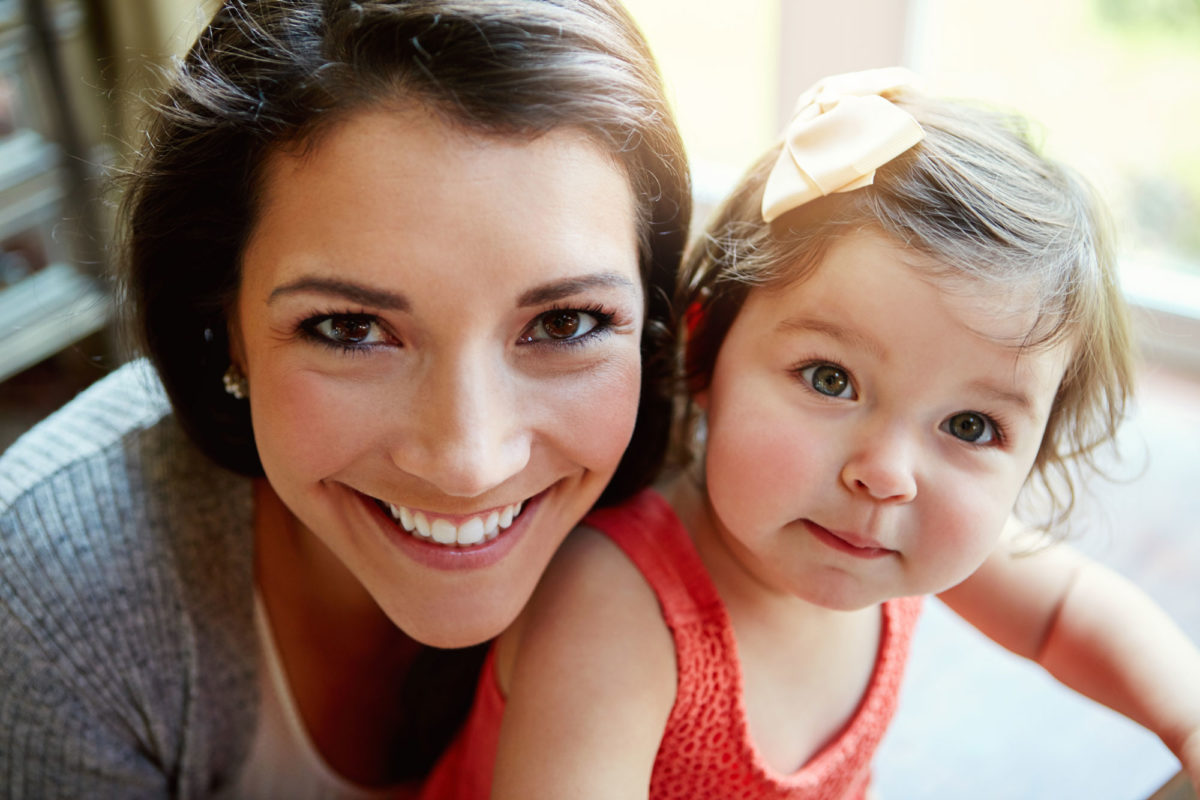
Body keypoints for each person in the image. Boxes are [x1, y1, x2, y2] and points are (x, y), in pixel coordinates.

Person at [430, 68, 1200, 798]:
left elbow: (1065, 610)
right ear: (706, 352)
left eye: (970, 426)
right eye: (830, 379)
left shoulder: (892, 532)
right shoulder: (617, 609)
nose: (887, 471)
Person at [0, 0, 690, 795]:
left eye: (565, 322)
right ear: (220, 322)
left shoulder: (738, 498)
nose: (467, 461)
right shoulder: (57, 596)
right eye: (352, 328)